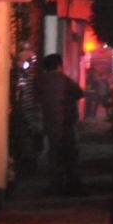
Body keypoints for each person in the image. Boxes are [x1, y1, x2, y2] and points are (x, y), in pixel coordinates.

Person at [36, 53, 85, 195]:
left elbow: (38, 100)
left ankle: (55, 185)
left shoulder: (40, 82)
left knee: (54, 155)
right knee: (71, 155)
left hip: (50, 123)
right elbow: (79, 93)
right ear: (60, 66)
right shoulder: (64, 80)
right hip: (66, 123)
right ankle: (73, 186)